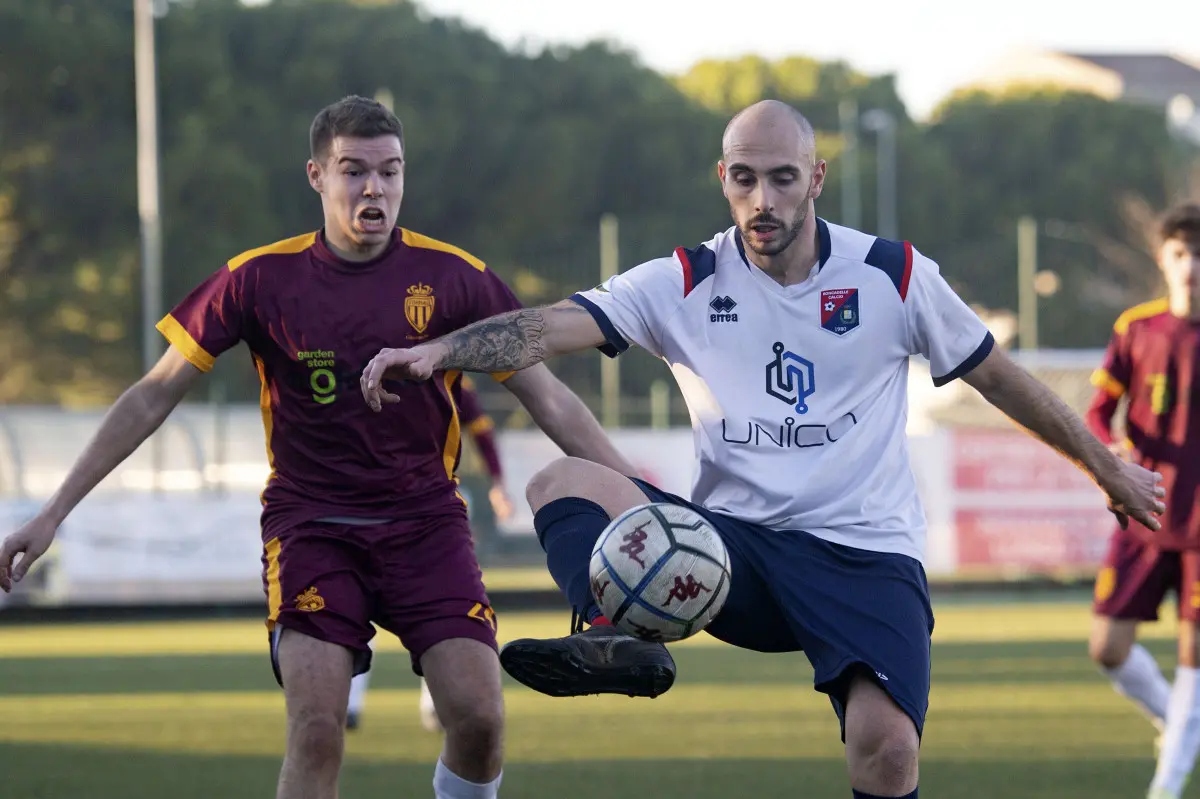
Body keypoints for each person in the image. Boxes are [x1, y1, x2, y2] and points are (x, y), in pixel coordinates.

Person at [360, 100, 1166, 799]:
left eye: (782, 177)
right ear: (723, 179)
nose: (762, 197)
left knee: (886, 749)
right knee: (562, 479)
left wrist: (1104, 465)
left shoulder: (891, 274)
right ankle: (611, 634)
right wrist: (441, 352)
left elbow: (998, 376)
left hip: (863, 554)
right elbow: (548, 325)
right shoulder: (685, 278)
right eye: (745, 177)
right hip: (726, 554)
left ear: (816, 179)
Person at [0, 95, 635, 799]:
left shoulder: (457, 278)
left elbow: (549, 396)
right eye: (354, 171)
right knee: (317, 728)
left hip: (426, 523)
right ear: (316, 177)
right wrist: (52, 512)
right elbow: (152, 394)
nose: (375, 189)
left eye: (390, 172)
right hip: (312, 527)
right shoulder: (258, 279)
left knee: (481, 718)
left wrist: (639, 498)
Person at [1085, 202, 1200, 799]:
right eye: (1182, 254)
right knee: (1107, 647)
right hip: (1145, 512)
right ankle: (1179, 728)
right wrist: (1113, 450)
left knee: (1194, 659)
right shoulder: (1137, 328)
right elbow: (1100, 410)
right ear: (1164, 258)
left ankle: (1167, 785)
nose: (1192, 267)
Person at [346, 376, 516, 734]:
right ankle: (351, 704)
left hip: (432, 506)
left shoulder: (443, 373)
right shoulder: (357, 363)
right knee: (359, 606)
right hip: (362, 505)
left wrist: (499, 484)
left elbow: (481, 429)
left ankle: (433, 704)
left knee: (441, 608)